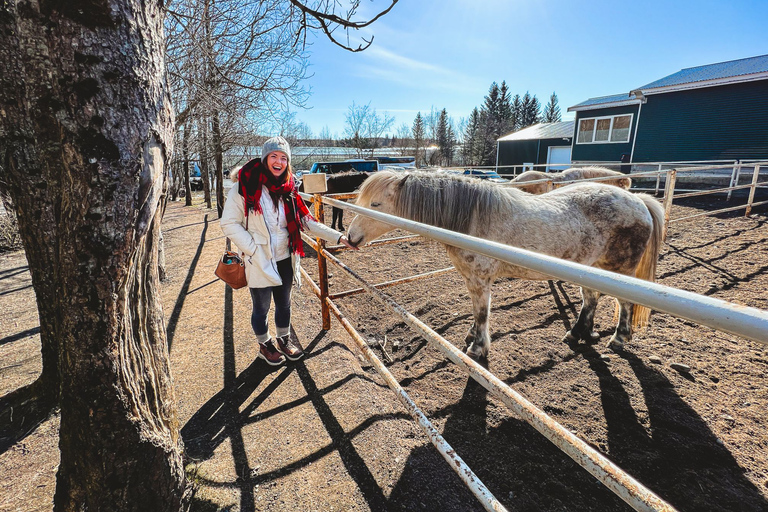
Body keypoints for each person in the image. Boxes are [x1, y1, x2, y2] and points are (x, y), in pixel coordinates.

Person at [220, 136, 357, 366]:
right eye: (274, 156)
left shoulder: (289, 189)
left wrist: (338, 237)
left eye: (284, 158)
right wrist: (252, 249)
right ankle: (265, 345)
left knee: (284, 303)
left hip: (285, 257)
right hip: (260, 259)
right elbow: (229, 223)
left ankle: (284, 339)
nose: (279, 161)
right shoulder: (244, 187)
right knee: (261, 307)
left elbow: (307, 221)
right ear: (265, 159)